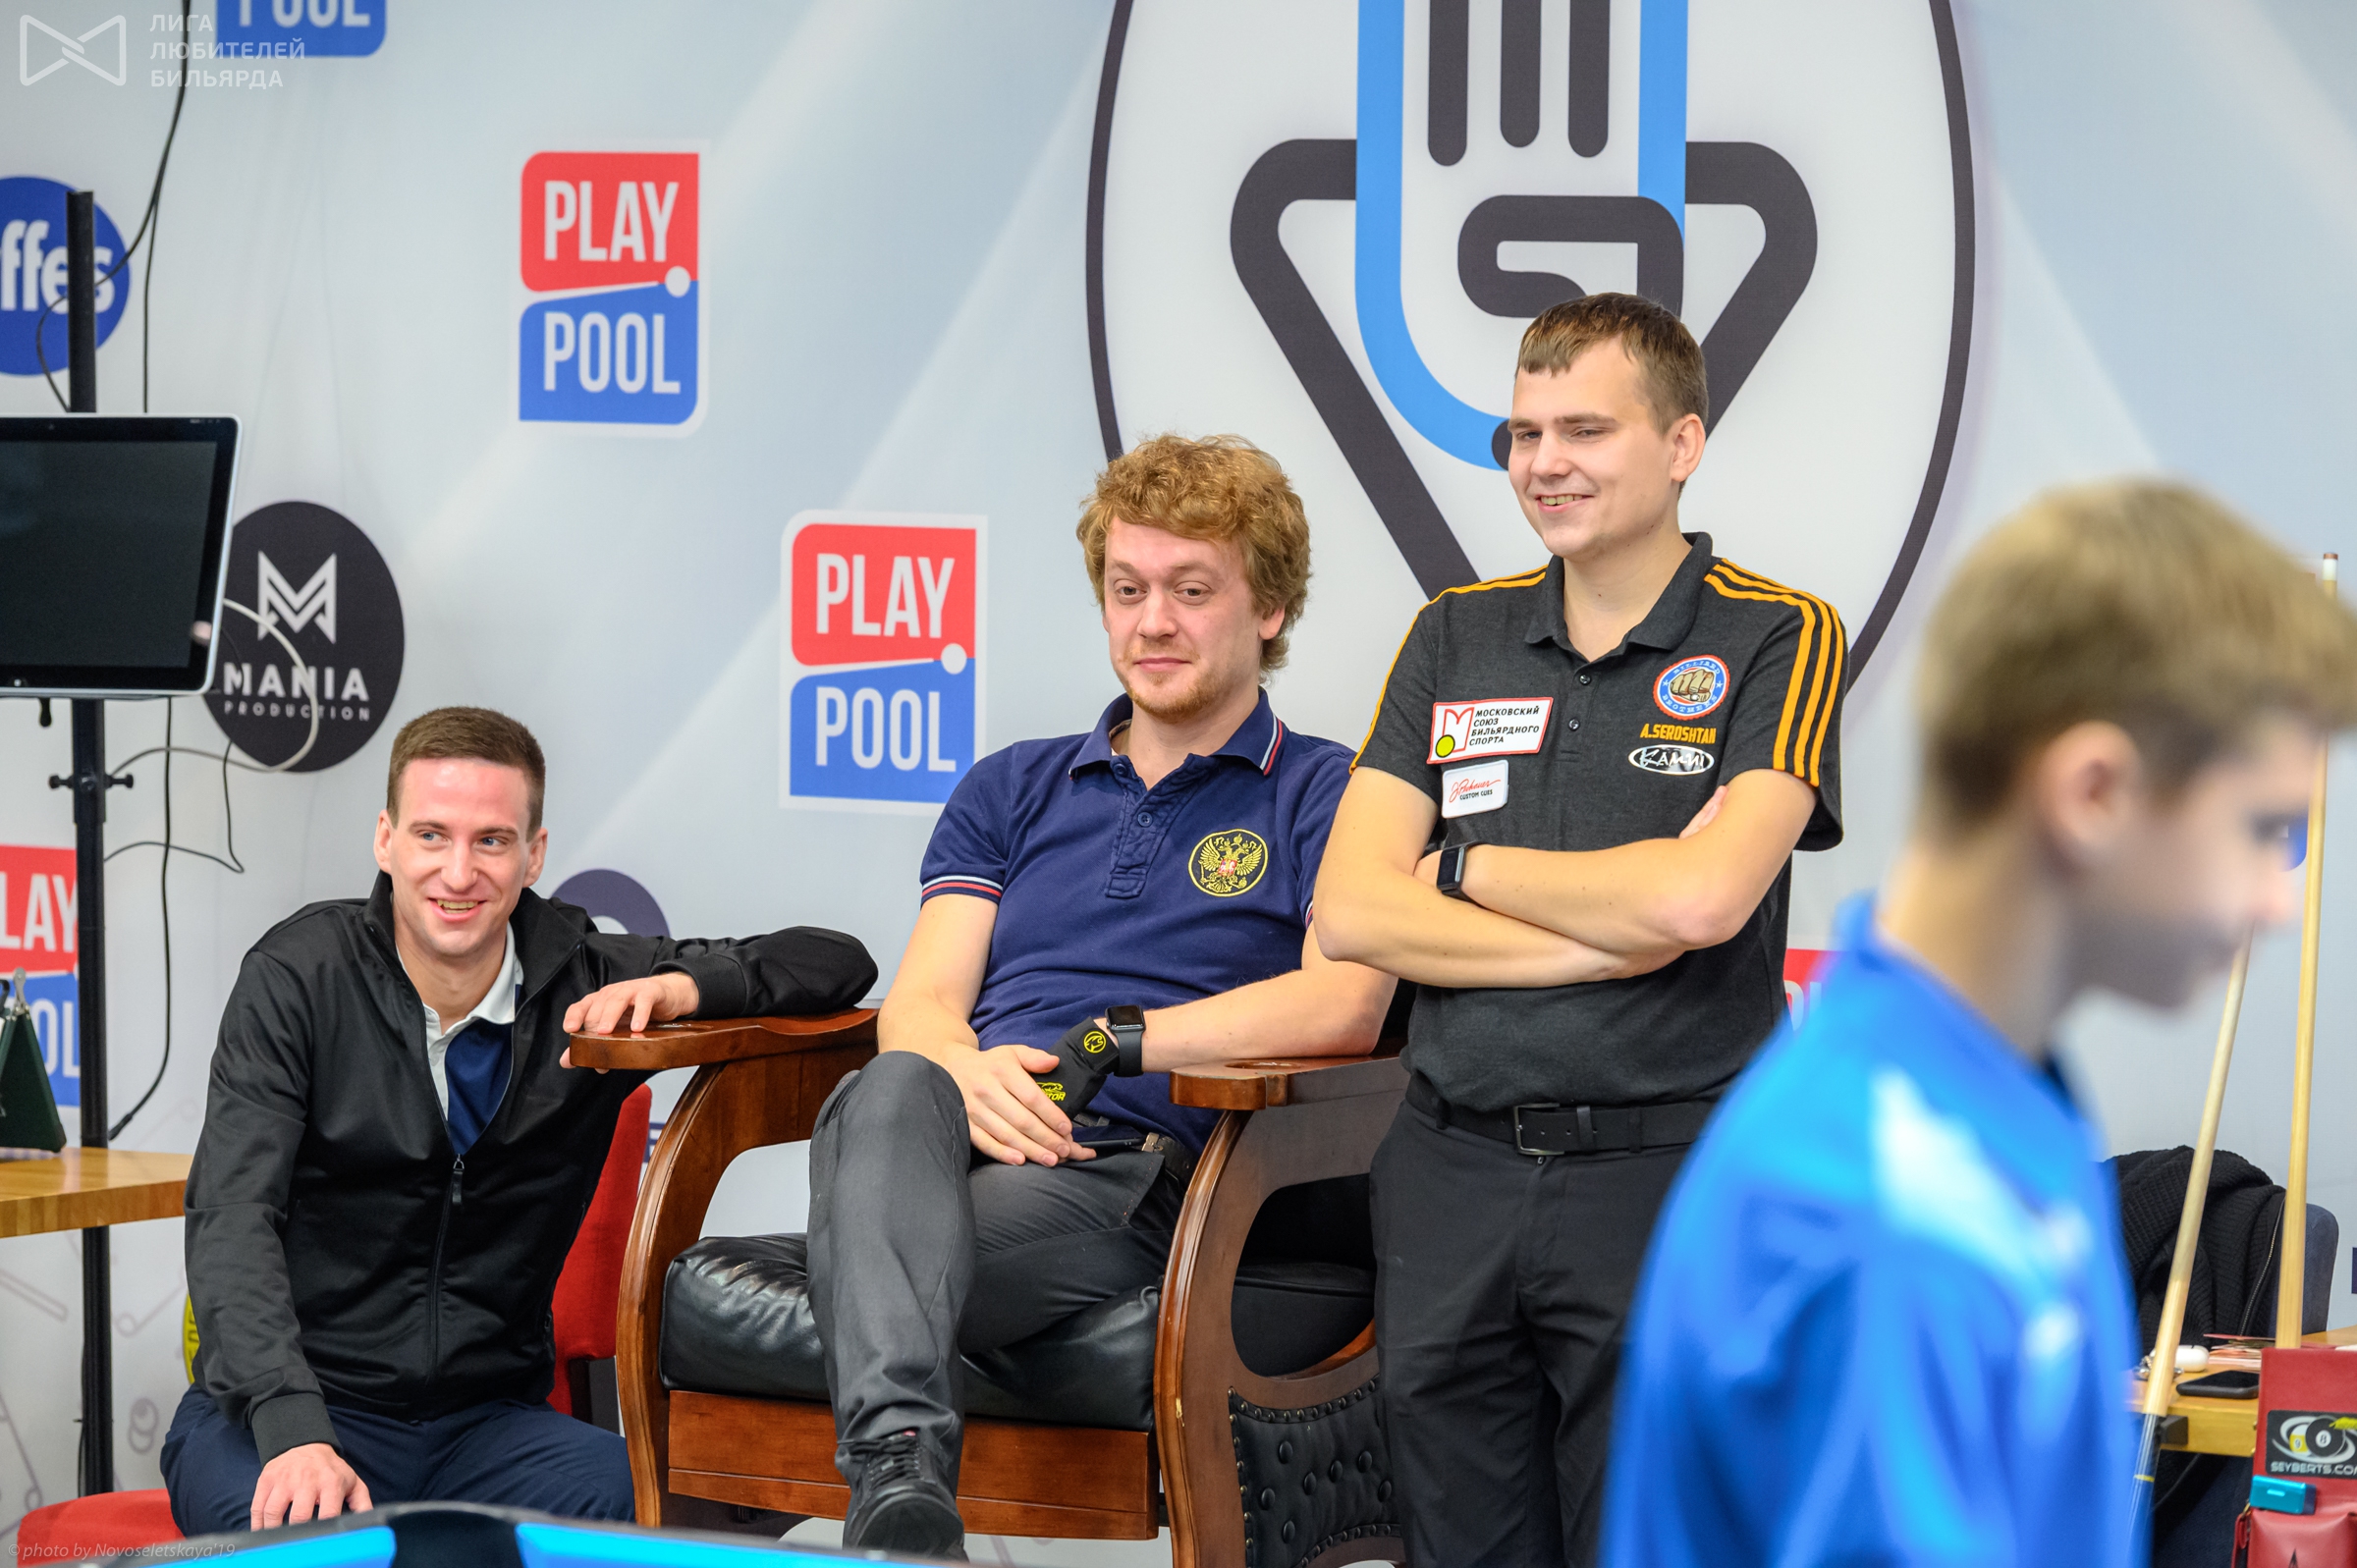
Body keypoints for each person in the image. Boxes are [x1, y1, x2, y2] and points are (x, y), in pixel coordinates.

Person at [1603, 485, 2357, 1567]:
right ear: (2093, 793)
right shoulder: (1898, 1210)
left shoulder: (1986, 1088)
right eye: (2264, 829)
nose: (2280, 898)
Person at [1314, 293, 1847, 1565]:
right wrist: (1601, 933)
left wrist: (1470, 865)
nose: (1544, 463)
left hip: (1665, 1179)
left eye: (1586, 430)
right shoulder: (1455, 632)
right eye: (1524, 432)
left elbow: (1703, 900)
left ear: (1682, 442)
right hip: (1450, 1174)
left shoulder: (1778, 633)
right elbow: (1350, 908)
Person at [803, 434, 1397, 1556]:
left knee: (872, 1246)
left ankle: (894, 1493)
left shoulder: (1333, 792)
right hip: (958, 1135)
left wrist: (1118, 1040)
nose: (1152, 622)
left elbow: (1345, 1006)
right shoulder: (1012, 784)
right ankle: (901, 1485)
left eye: (1191, 590)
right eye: (1128, 590)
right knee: (889, 1081)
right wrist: (966, 1072)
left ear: (1270, 608)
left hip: (1135, 1170)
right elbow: (923, 999)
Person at [166, 707, 876, 1537]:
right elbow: (232, 1216)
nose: (458, 871)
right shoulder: (297, 976)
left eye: (492, 841)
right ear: (386, 839)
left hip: (488, 1428)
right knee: (309, 1545)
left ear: (534, 854)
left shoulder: (589, 979)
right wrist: (291, 1429)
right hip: (297, 1412)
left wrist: (685, 988)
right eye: (432, 835)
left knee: (707, 1512)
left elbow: (836, 959)